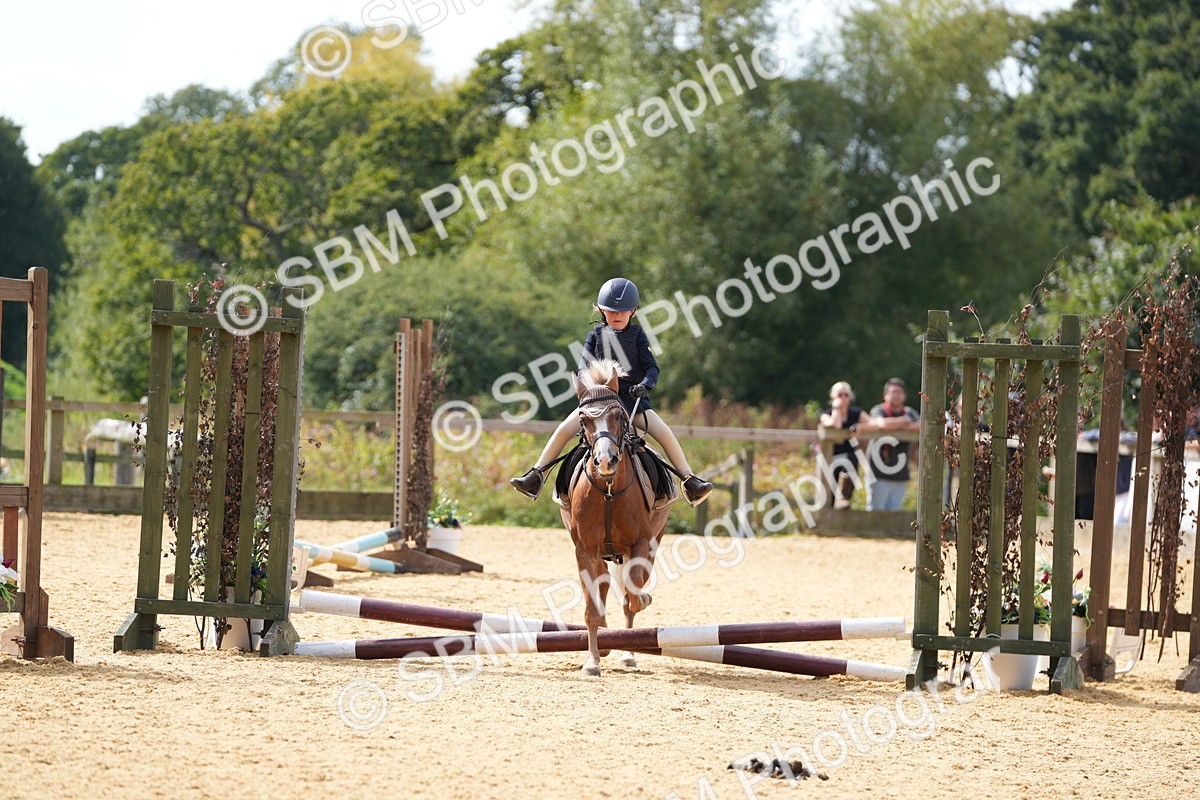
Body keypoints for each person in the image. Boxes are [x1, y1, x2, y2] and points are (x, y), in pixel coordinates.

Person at [509, 277, 714, 506]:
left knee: (664, 432)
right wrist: (591, 389)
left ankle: (689, 480)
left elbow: (651, 367)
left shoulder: (637, 336)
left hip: (631, 403)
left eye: (624, 311)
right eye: (611, 311)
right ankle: (535, 476)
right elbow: (582, 368)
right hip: (598, 404)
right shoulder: (594, 336)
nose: (617, 315)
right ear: (601, 311)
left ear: (633, 312)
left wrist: (645, 385)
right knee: (563, 429)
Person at [866, 378, 921, 511]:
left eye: (899, 392)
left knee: (894, 512)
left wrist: (896, 426)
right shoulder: (878, 410)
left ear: (904, 395)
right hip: (878, 471)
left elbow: (921, 425)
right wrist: (904, 421)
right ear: (885, 395)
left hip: (900, 472)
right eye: (893, 391)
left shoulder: (910, 412)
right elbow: (881, 424)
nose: (896, 394)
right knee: (876, 511)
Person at [819, 381, 871, 509]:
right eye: (839, 395)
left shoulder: (856, 413)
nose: (843, 398)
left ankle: (844, 497)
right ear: (833, 397)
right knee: (828, 497)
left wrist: (860, 427)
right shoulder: (825, 414)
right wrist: (836, 408)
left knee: (852, 460)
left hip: (848, 457)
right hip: (829, 457)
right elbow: (835, 425)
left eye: (846, 395)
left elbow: (873, 423)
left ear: (850, 397)